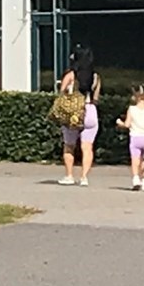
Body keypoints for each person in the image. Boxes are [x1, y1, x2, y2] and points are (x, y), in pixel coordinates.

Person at [58, 45, 100, 185]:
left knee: (69, 146)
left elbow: (61, 93)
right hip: (90, 110)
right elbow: (96, 98)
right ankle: (84, 177)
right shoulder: (95, 77)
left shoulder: (70, 75)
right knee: (87, 147)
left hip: (73, 113)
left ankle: (69, 175)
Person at [123, 86, 144, 192]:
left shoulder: (131, 109)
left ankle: (136, 178)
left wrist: (120, 123)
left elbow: (127, 124)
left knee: (135, 160)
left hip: (134, 137)